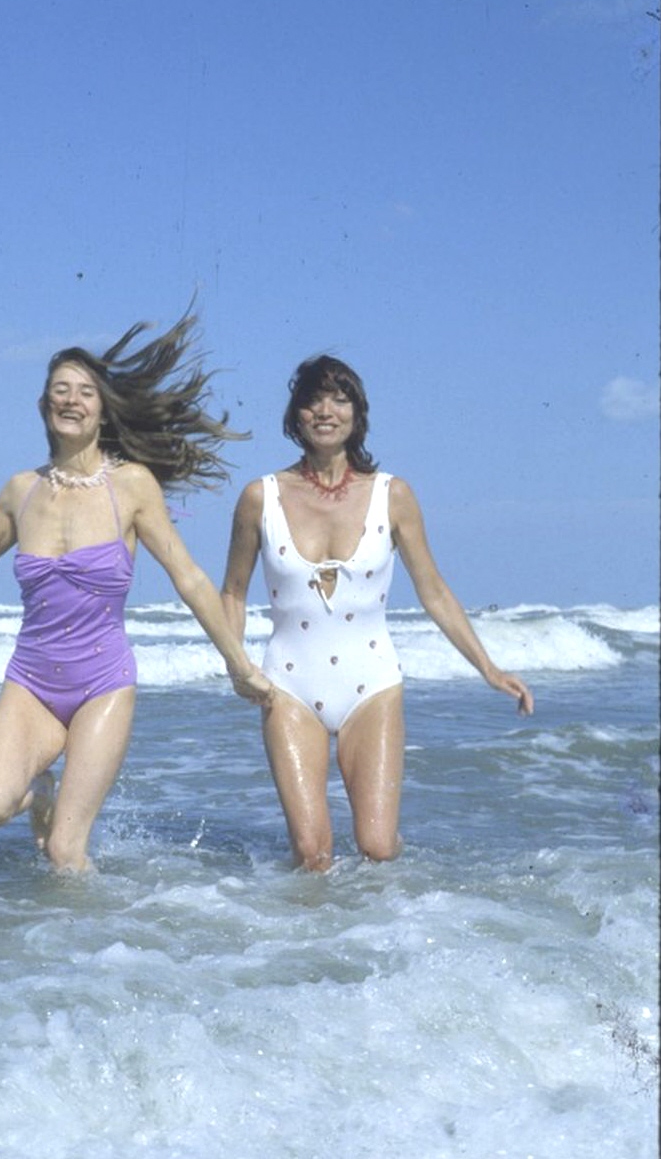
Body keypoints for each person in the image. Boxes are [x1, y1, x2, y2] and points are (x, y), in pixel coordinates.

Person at [0, 314, 272, 870]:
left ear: (103, 409)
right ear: (44, 406)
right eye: (60, 391)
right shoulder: (21, 491)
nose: (72, 400)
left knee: (66, 851)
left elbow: (187, 576)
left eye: (85, 392)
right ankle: (42, 791)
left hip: (102, 683)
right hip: (32, 681)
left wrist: (239, 662)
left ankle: (86, 952)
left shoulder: (133, 485)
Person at [221, 353, 534, 871]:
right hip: (289, 685)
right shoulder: (261, 497)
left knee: (378, 848)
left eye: (339, 399)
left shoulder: (394, 495)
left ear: (356, 414)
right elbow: (232, 592)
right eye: (312, 400)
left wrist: (489, 668)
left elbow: (433, 590)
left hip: (372, 682)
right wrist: (237, 664)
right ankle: (303, 942)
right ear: (295, 415)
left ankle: (384, 933)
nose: (326, 411)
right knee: (312, 854)